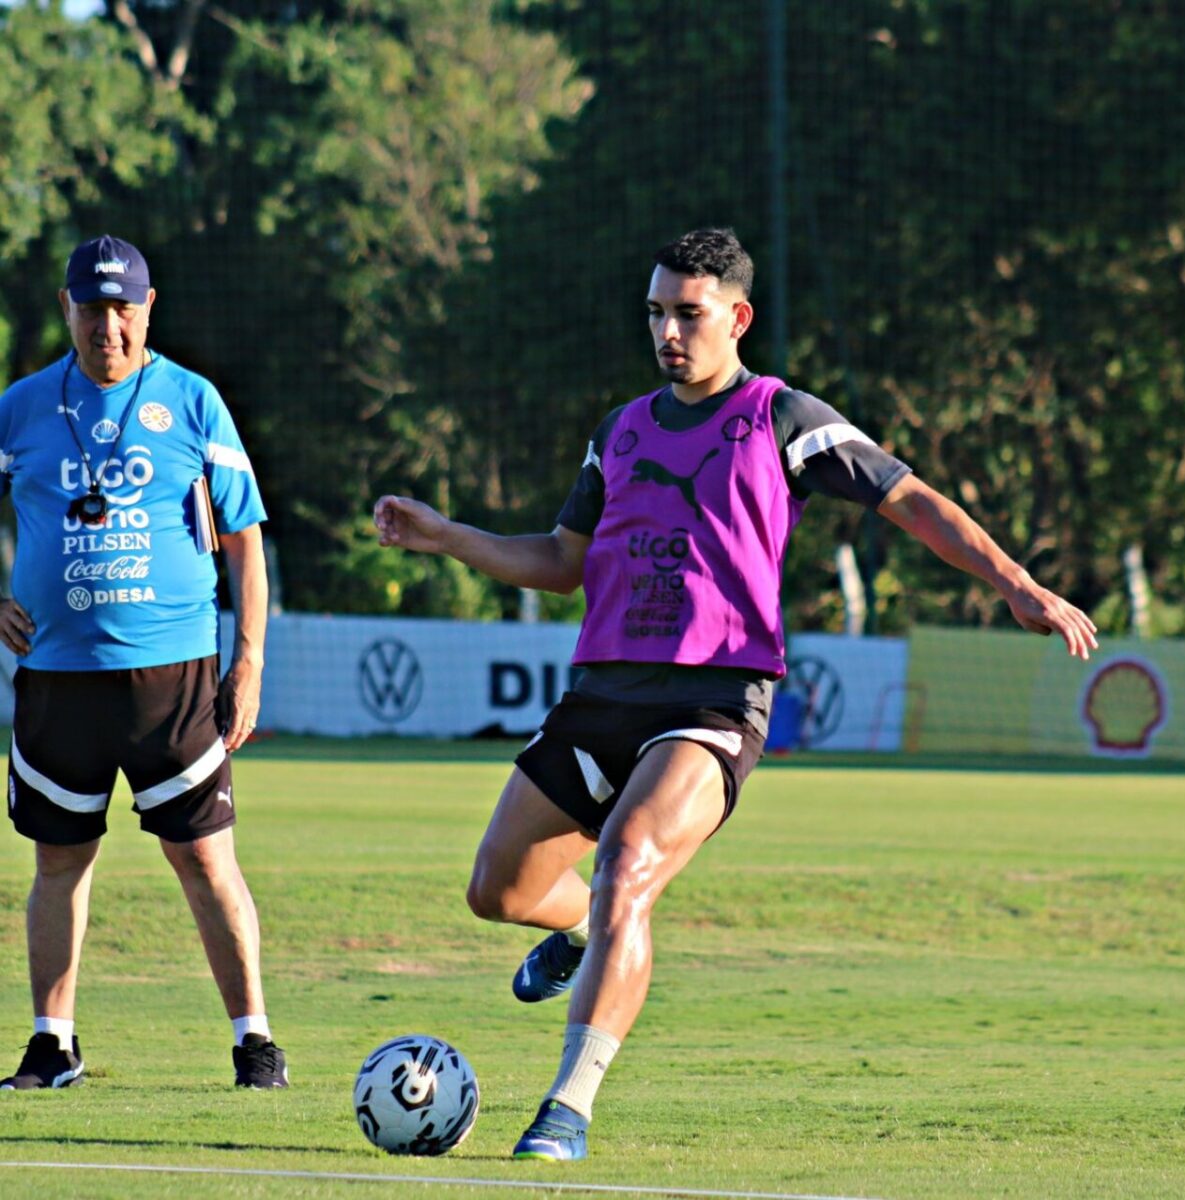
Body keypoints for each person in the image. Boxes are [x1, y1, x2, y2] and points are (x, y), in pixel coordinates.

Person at [373, 227, 1097, 1160]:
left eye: (689, 313)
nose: (669, 332)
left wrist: (1013, 581)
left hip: (713, 702)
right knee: (498, 891)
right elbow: (560, 563)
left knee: (628, 860)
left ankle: (567, 1109)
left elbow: (911, 499)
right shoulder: (620, 430)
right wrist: (446, 535)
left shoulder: (784, 417)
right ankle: (595, 930)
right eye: (656, 313)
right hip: (601, 694)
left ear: (738, 317)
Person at [0, 235, 287, 1090]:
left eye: (124, 307)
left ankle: (254, 1042)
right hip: (56, 679)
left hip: (176, 680)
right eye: (92, 308)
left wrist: (250, 663)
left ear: (149, 308)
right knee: (58, 862)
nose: (109, 326)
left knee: (205, 861)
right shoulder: (20, 407)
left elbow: (246, 544)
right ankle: (53, 1046)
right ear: (67, 310)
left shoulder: (194, 401)